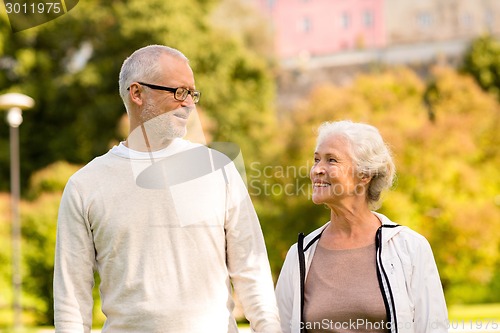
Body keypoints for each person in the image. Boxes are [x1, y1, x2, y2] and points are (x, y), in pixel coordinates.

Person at [53, 45, 281, 333]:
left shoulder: (217, 169)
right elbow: (71, 297)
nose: (189, 104)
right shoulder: (85, 185)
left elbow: (252, 269)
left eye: (192, 93)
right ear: (137, 93)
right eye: (179, 92)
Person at [275, 120, 448, 333]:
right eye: (316, 160)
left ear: (364, 175)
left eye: (331, 160)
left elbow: (432, 327)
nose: (317, 170)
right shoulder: (300, 255)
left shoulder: (410, 248)